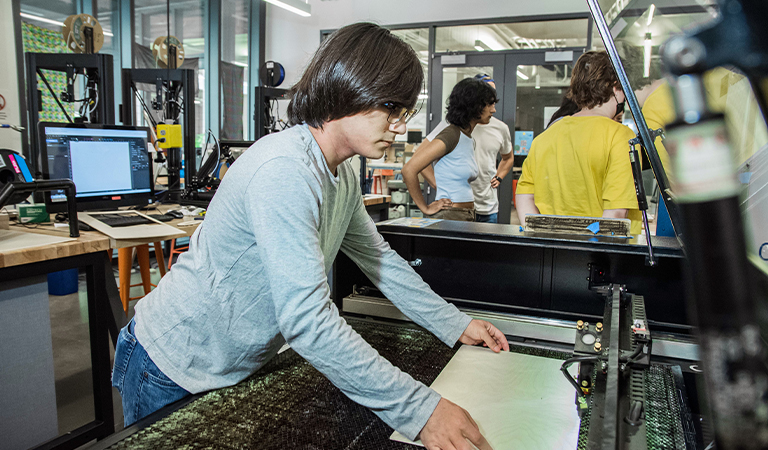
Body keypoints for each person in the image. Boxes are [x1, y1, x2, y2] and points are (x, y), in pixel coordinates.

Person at [111, 22, 509, 450]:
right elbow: (306, 321)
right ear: (346, 89)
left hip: (231, 364)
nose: (399, 125)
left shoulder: (340, 175)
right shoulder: (285, 169)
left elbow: (380, 261)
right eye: (390, 107)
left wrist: (455, 323)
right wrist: (420, 410)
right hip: (170, 363)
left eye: (404, 110)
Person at [515, 51, 641, 234]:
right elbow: (616, 213)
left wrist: (542, 237)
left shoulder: (544, 138)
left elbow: (524, 197)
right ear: (615, 88)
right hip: (602, 257)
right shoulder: (621, 137)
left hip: (553, 253)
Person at [402, 78, 498, 221]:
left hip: (465, 215)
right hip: (450, 216)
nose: (493, 110)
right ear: (473, 105)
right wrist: (425, 207)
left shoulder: (468, 138)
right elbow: (409, 169)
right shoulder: (452, 134)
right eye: (489, 104)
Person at [469, 74, 514, 223]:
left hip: (488, 206)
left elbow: (508, 158)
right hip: (461, 206)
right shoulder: (459, 125)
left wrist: (499, 176)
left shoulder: (500, 128)